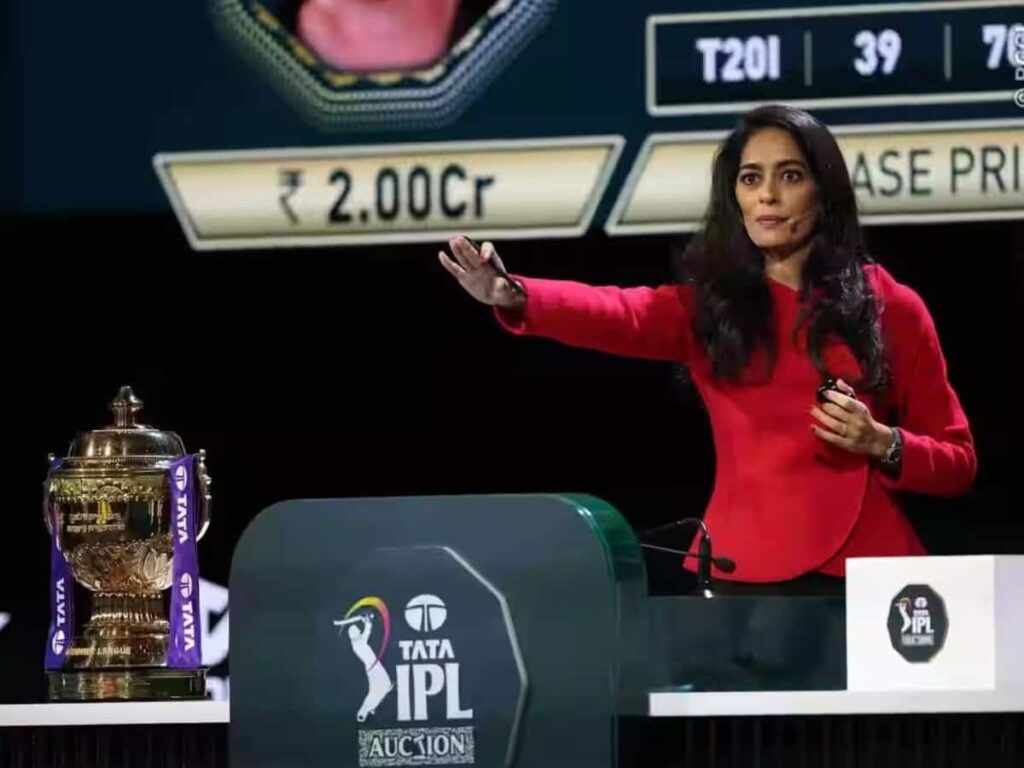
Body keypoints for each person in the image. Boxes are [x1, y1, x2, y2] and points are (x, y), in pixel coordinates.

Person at [438, 104, 977, 595]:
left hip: (868, 575)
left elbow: (958, 462)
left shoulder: (891, 307)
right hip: (742, 574)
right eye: (751, 178)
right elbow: (618, 311)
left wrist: (883, 442)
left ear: (824, 189)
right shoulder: (710, 310)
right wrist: (515, 294)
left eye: (790, 175)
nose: (767, 195)